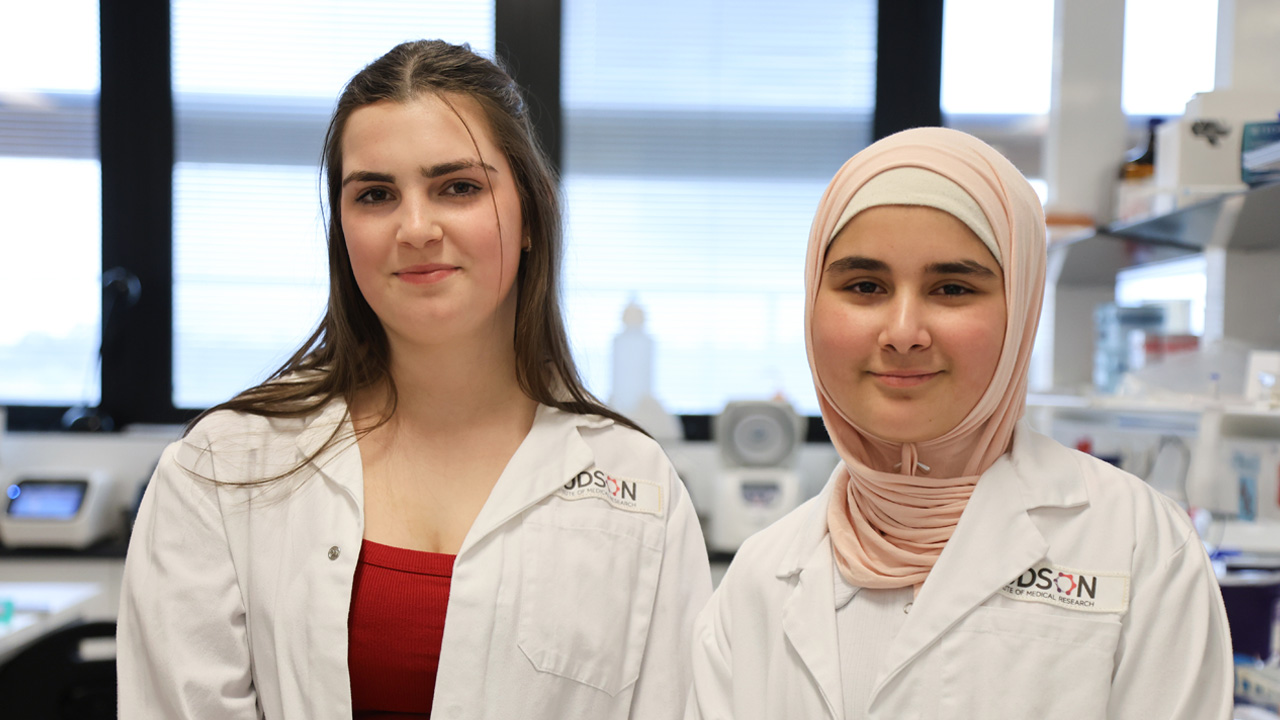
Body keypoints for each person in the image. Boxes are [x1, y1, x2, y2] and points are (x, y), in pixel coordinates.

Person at [117, 39, 711, 720]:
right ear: (342, 229)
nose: (416, 227)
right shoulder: (221, 470)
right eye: (374, 195)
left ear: (526, 216)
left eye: (457, 187)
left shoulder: (638, 488)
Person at [686, 127, 1232, 719]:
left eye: (951, 288)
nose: (902, 333)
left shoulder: (1139, 545)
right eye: (864, 286)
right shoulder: (760, 577)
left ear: (1021, 308)